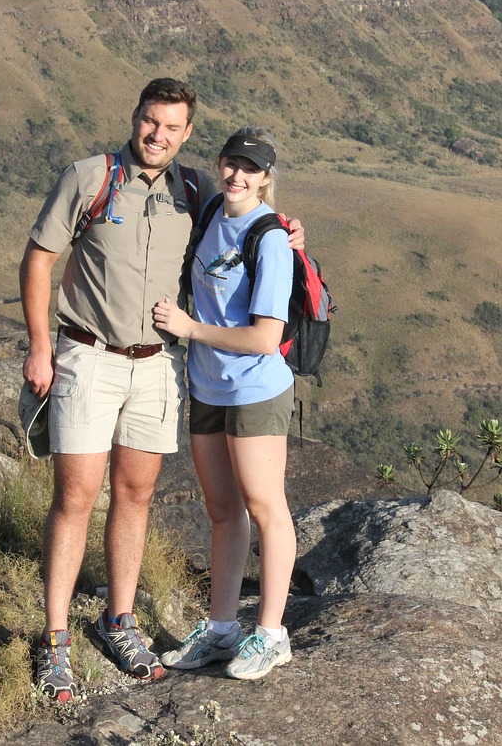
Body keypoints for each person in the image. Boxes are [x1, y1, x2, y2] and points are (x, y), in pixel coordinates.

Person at [20, 80, 302, 701]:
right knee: (76, 496)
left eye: (172, 128)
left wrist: (287, 232)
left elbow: (256, 221)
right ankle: (56, 639)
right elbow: (39, 257)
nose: (158, 136)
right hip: (88, 355)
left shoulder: (195, 188)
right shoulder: (91, 177)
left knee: (136, 493)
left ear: (186, 134)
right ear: (136, 117)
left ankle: (120, 620)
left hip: (157, 366)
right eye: (152, 122)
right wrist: (41, 346)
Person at [151, 127, 297, 681]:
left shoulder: (272, 240)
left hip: (254, 389)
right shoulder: (213, 209)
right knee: (222, 511)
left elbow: (265, 337)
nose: (237, 175)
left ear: (265, 179)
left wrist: (190, 329)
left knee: (265, 507)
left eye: (250, 169)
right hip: (208, 385)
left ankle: (271, 634)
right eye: (231, 163)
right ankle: (220, 630)